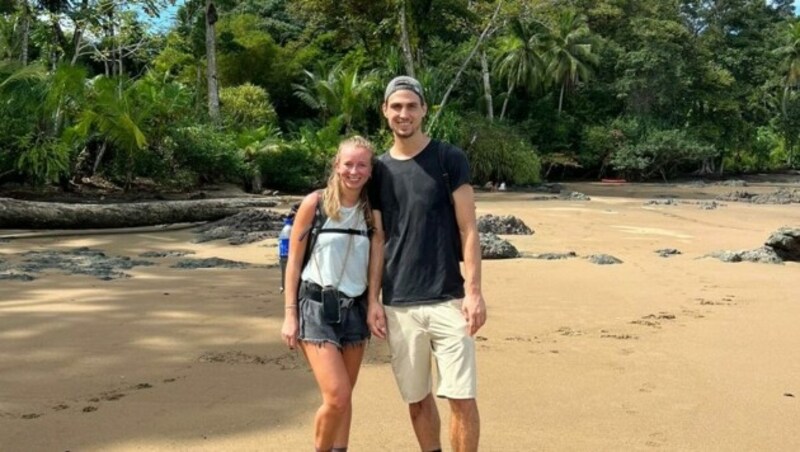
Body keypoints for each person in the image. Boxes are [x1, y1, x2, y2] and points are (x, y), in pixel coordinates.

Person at [367, 76, 487, 452]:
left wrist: (474, 292)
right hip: (399, 301)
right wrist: (373, 300)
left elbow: (469, 228)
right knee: (417, 399)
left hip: (448, 297)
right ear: (385, 111)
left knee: (462, 397)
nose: (404, 114)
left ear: (423, 110)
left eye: (411, 106)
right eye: (396, 107)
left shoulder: (448, 158)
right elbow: (379, 238)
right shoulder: (378, 170)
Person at [281, 136, 375, 452]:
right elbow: (293, 263)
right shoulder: (315, 203)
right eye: (348, 164)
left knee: (345, 396)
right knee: (337, 396)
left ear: (371, 170)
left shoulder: (372, 212)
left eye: (362, 164)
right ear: (336, 165)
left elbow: (378, 260)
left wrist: (375, 304)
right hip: (316, 306)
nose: (354, 171)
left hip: (355, 310)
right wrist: (290, 315)